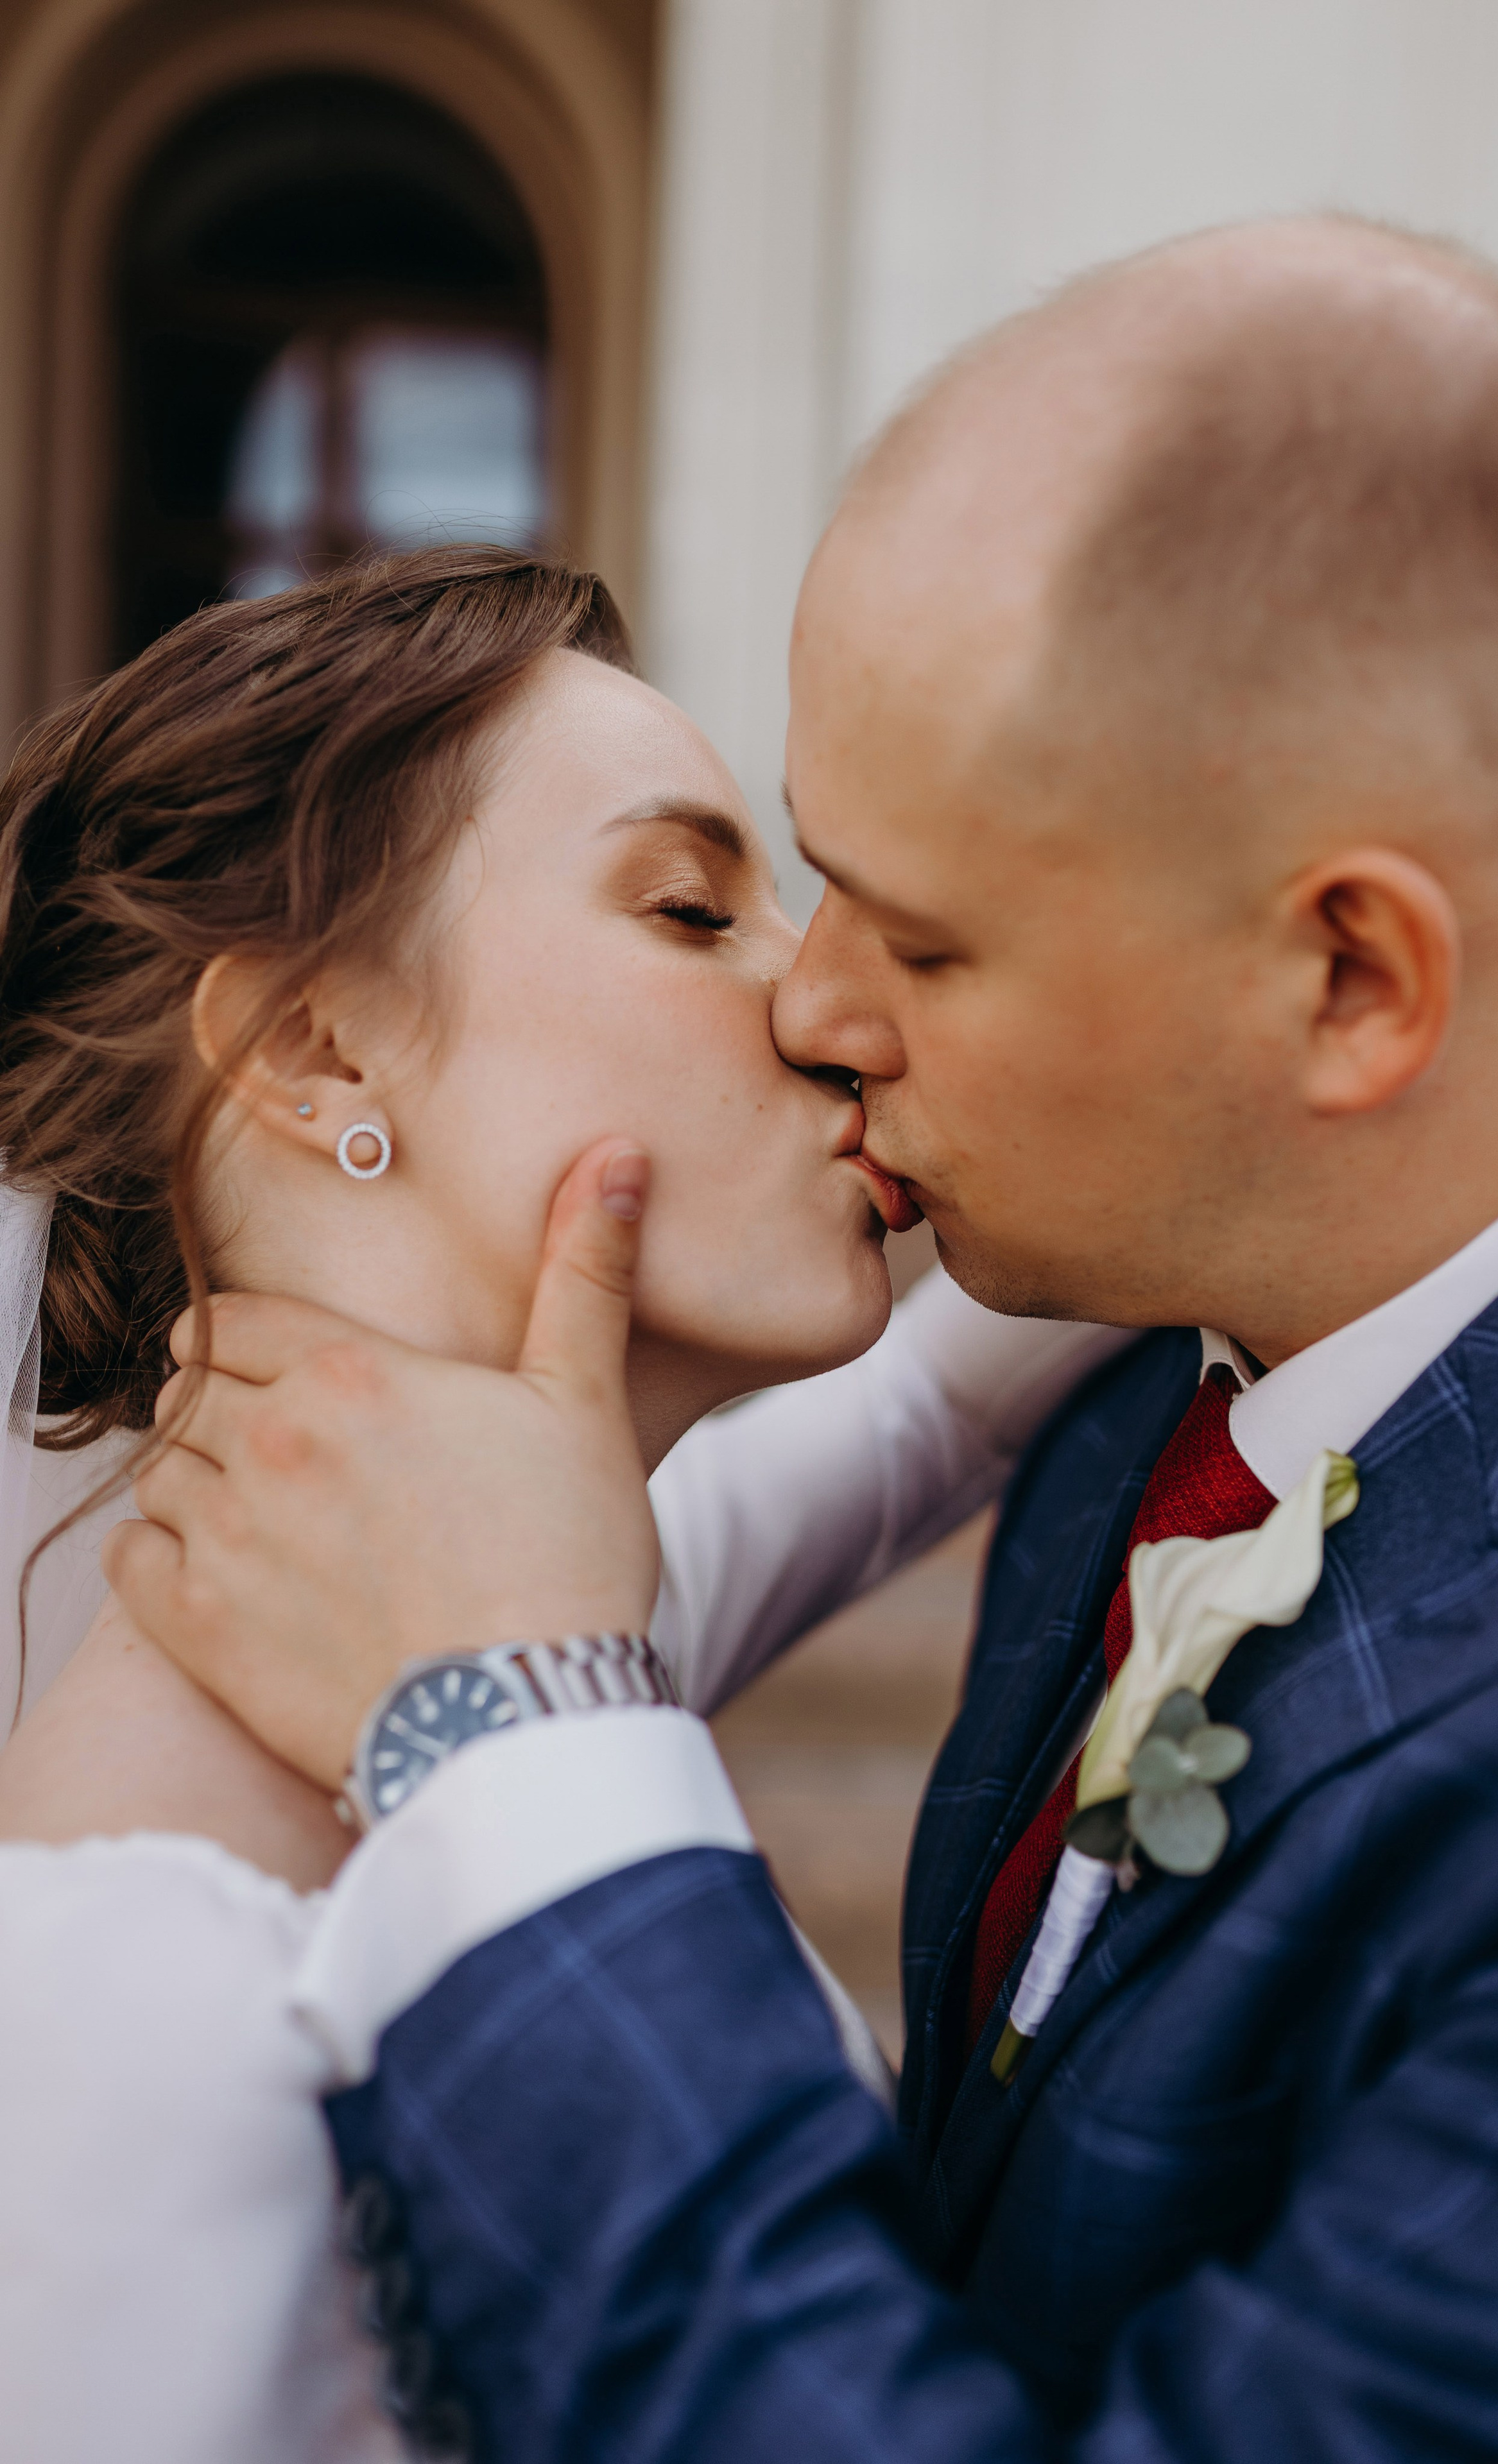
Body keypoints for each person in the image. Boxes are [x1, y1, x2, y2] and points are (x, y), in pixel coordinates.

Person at [110, 214, 1498, 2458]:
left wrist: (518, 1744)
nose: (812, 1014)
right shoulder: (1159, 1362)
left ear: (1349, 980)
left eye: (918, 945)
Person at [0, 546, 1120, 2464]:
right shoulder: (115, 2002)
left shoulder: (517, 1631)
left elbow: (945, 1403)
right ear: (316, 1050)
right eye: (694, 909)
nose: (825, 1002)